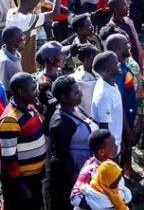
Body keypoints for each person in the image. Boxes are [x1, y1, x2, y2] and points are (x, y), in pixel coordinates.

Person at [47, 75, 98, 210]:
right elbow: (62, 154)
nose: (80, 94)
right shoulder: (60, 121)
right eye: (76, 93)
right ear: (64, 98)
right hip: (69, 177)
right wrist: (76, 177)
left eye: (78, 90)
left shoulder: (76, 108)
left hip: (83, 170)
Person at [0, 72, 47, 205]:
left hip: (35, 176)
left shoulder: (30, 107)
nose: (36, 92)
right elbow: (8, 158)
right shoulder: (10, 120)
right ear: (21, 92)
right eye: (33, 89)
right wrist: (21, 186)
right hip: (22, 181)